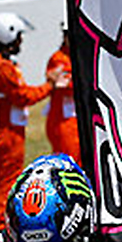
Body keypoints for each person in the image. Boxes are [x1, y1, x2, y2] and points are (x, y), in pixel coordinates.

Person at [0, 11, 50, 232]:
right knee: (7, 181)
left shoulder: (2, 64)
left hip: (10, 129)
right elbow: (23, 96)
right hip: (6, 131)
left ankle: (6, 227)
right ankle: (1, 230)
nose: (21, 40)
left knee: (11, 179)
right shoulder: (1, 67)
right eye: (18, 35)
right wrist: (50, 85)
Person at [43, 25, 79, 160]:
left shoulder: (78, 56)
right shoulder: (59, 59)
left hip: (75, 119)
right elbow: (64, 84)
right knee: (69, 162)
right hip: (63, 121)